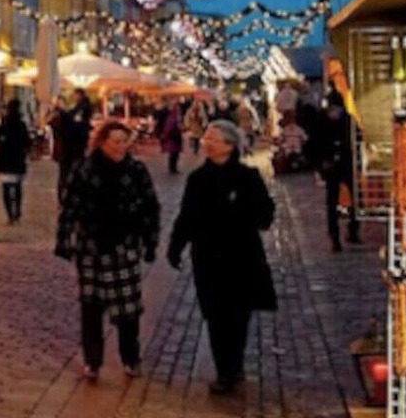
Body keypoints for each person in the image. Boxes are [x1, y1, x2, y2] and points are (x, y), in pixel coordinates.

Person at [167, 121, 278, 394]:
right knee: (215, 315)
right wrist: (175, 246)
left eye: (214, 138)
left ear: (229, 145)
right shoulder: (197, 179)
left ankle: (234, 365)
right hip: (207, 257)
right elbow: (186, 216)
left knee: (238, 315)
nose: (207, 142)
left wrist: (243, 211)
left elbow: (265, 214)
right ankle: (225, 371)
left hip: (242, 256)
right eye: (206, 137)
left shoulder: (248, 177)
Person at [55, 121, 160, 381]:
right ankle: (93, 361)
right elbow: (70, 206)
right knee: (91, 307)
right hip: (91, 245)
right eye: (115, 141)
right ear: (102, 142)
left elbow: (150, 206)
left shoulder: (136, 170)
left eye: (124, 141)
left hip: (123, 245)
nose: (120, 147)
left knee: (127, 310)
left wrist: (150, 241)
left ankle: (130, 357)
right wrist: (64, 240)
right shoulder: (84, 169)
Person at [319, 96, 361, 251]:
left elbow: (357, 141)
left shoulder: (348, 121)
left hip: (346, 164)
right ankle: (335, 236)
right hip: (334, 167)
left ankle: (352, 229)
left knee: (355, 199)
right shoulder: (324, 121)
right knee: (332, 202)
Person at [0, 99, 32, 224]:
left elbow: (0, 141)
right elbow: (27, 142)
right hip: (17, 159)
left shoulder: (4, 123)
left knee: (6, 188)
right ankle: (17, 213)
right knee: (17, 187)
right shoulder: (21, 123)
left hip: (5, 159)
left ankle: (10, 214)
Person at [59, 89, 93, 196]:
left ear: (80, 95)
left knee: (71, 168)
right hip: (75, 143)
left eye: (76, 95)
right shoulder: (79, 107)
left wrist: (63, 111)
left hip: (74, 143)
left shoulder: (83, 108)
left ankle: (70, 190)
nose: (74, 97)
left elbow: (74, 121)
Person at [159, 99, 184, 174]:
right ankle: (172, 168)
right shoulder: (172, 118)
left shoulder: (175, 118)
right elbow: (168, 129)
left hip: (175, 138)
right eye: (178, 110)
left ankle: (173, 168)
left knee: (175, 154)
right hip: (173, 138)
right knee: (173, 154)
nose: (179, 111)